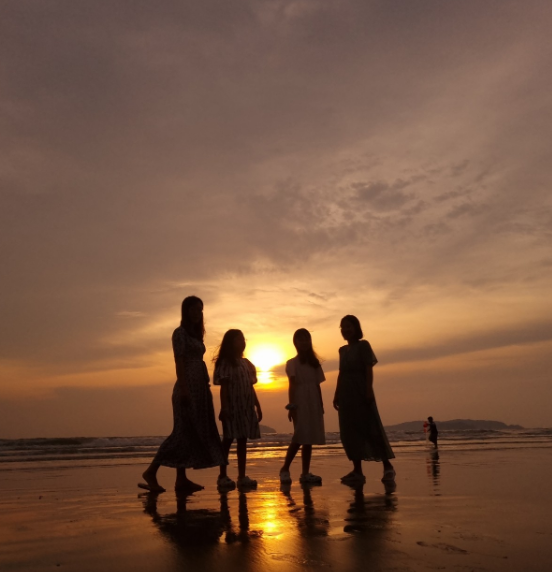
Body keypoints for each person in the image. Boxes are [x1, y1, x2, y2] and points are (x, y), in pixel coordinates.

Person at [138, 296, 226, 493]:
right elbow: (179, 362)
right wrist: (186, 390)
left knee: (189, 434)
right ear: (186, 311)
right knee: (181, 433)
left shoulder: (196, 335)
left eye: (200, 310)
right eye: (194, 309)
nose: (198, 313)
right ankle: (151, 471)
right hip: (187, 389)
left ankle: (181, 479)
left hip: (200, 390)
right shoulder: (180, 333)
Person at [333, 315, 395, 484]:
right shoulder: (342, 350)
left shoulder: (363, 346)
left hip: (361, 391)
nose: (345, 330)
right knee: (350, 432)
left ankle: (388, 467)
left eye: (349, 326)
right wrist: (336, 393)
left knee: (370, 428)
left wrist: (368, 390)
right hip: (346, 394)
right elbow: (341, 373)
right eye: (343, 327)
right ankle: (357, 471)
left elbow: (368, 368)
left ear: (356, 328)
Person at [213, 329, 262, 490]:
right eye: (238, 339)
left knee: (242, 440)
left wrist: (257, 404)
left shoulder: (246, 363)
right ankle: (222, 475)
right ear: (230, 343)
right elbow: (224, 387)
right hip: (232, 407)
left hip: (245, 406)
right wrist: (224, 408)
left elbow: (250, 386)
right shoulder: (225, 363)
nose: (242, 342)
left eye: (243, 339)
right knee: (228, 440)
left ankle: (242, 476)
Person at [279, 328, 326, 485]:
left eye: (306, 339)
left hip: (313, 401)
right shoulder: (292, 363)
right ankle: (285, 468)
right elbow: (292, 385)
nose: (304, 342)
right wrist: (292, 406)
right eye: (301, 339)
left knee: (308, 438)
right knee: (299, 436)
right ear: (295, 343)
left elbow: (317, 385)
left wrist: (320, 404)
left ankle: (305, 472)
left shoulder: (314, 363)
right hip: (300, 401)